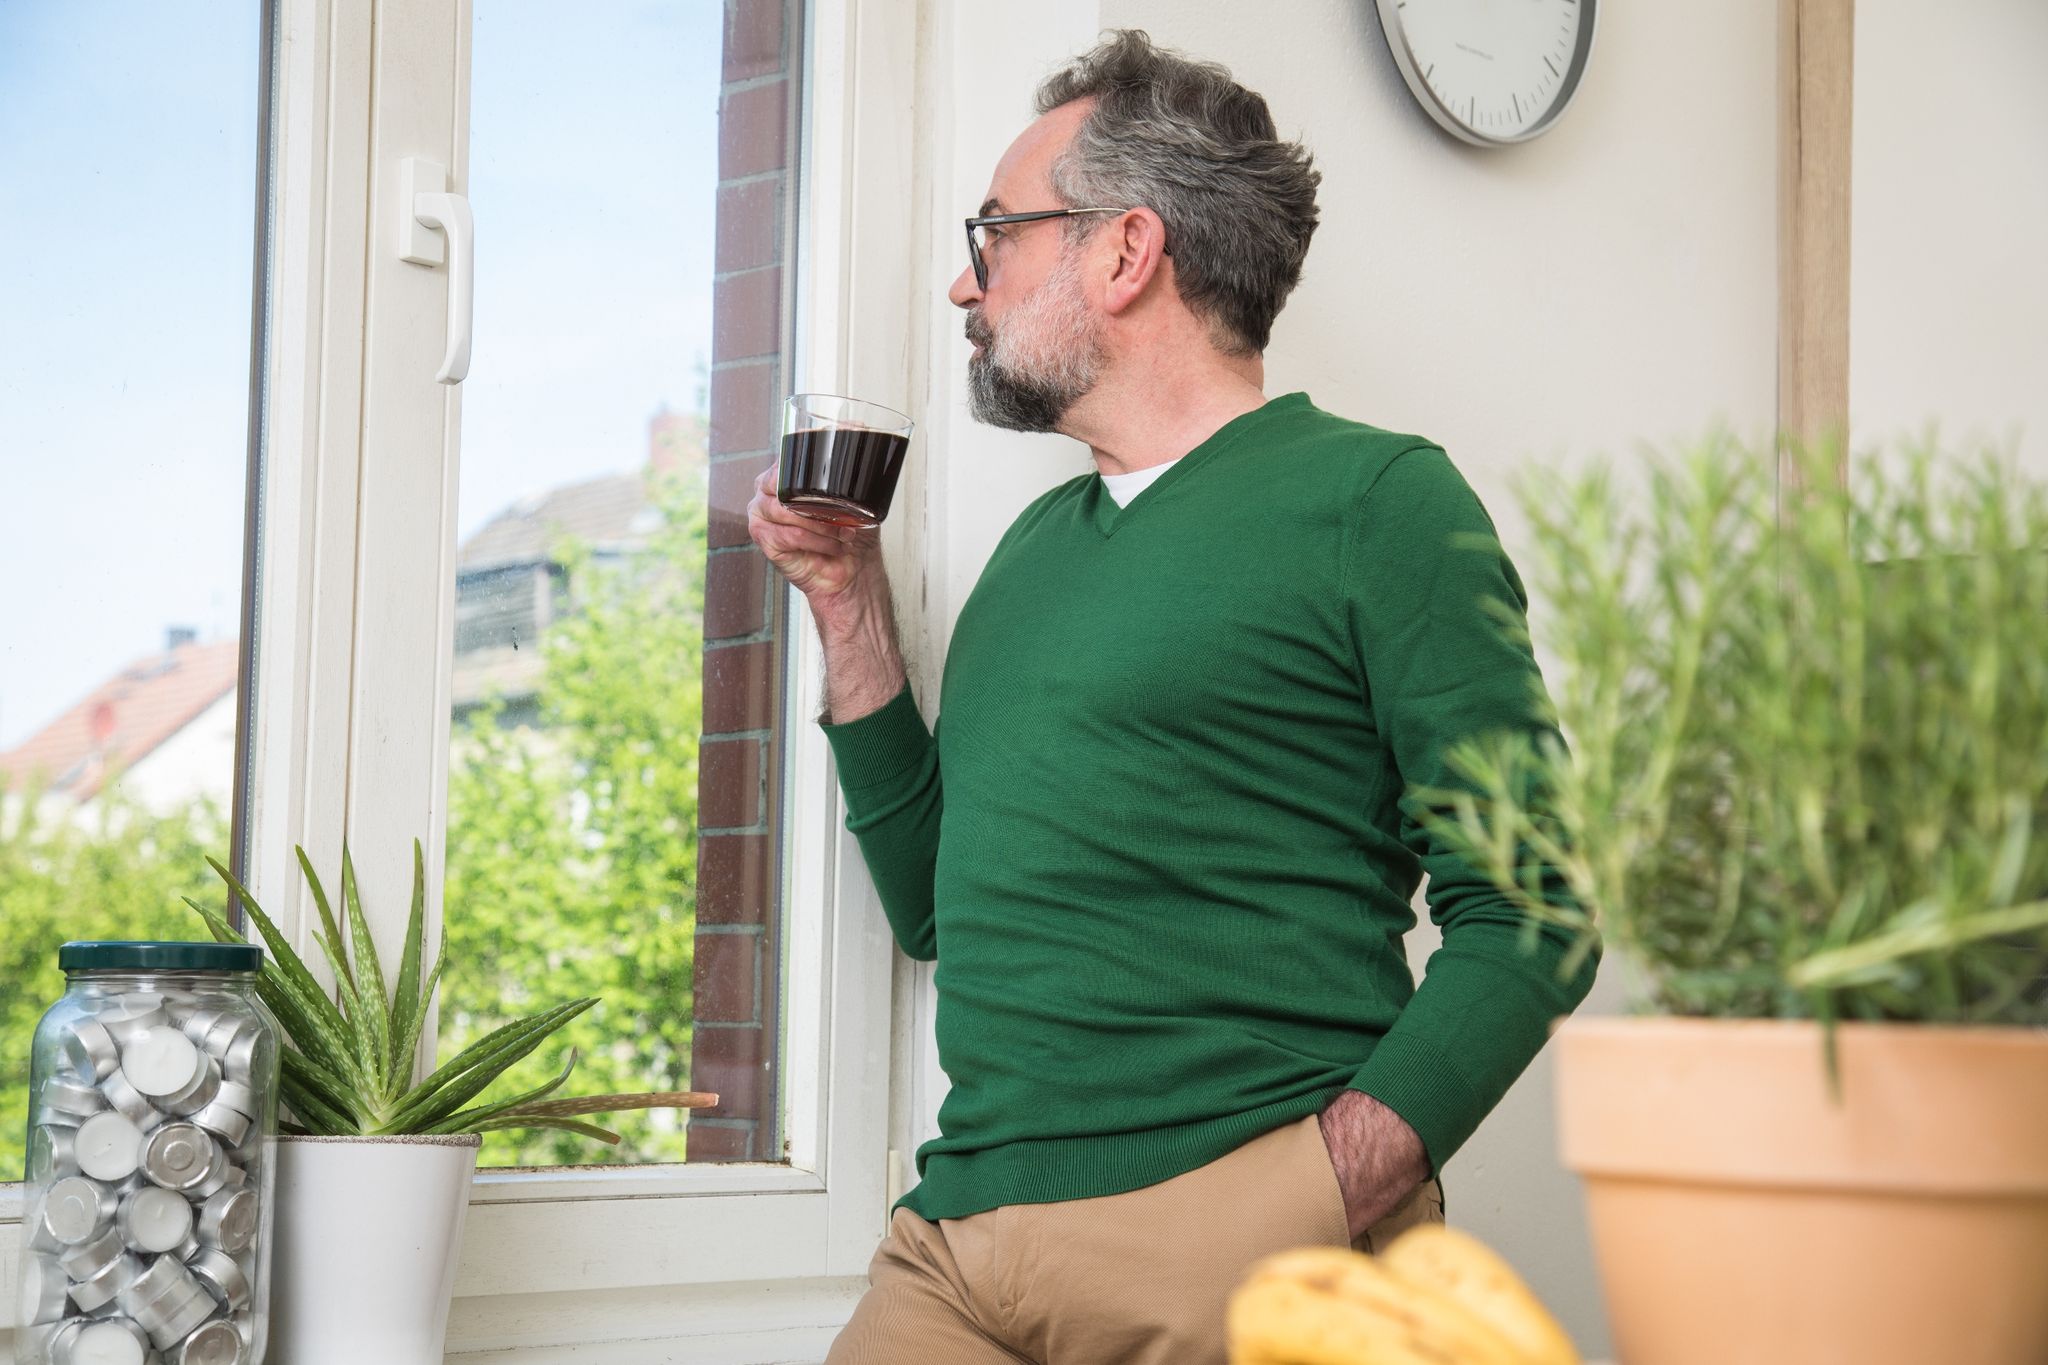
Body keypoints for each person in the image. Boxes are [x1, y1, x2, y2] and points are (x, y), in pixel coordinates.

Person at [749, 28, 1599, 1365]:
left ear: (1125, 250)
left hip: (1238, 1219)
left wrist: (1330, 1184)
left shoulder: (1378, 504)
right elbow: (933, 904)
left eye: (998, 236)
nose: (963, 285)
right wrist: (848, 603)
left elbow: (1533, 907)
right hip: (959, 1240)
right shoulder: (1032, 553)